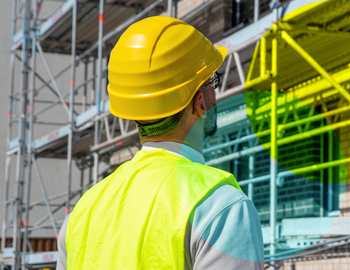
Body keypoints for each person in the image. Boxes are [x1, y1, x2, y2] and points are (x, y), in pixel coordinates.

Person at [56, 16, 264, 270]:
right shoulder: (220, 206)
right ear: (200, 102)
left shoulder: (80, 215)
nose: (215, 92)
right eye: (212, 82)